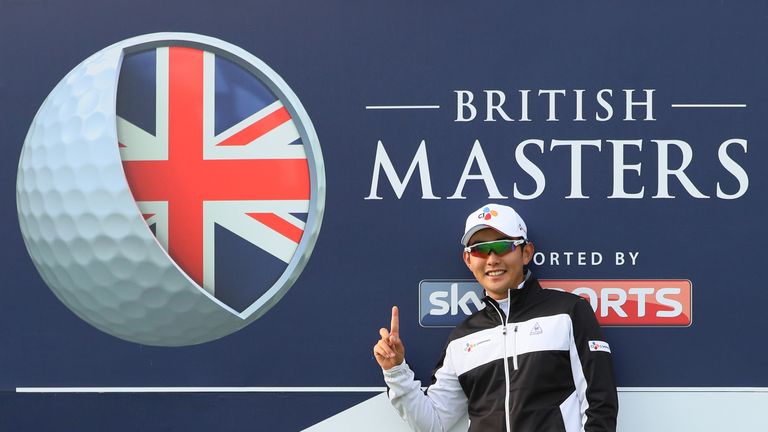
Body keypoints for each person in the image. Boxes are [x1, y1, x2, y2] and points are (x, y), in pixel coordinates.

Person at [373, 203, 618, 432]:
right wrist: (396, 371)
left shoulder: (568, 312)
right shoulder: (462, 338)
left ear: (526, 252)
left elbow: (600, 404)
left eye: (503, 246)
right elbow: (434, 423)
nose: (492, 259)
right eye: (479, 250)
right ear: (468, 260)